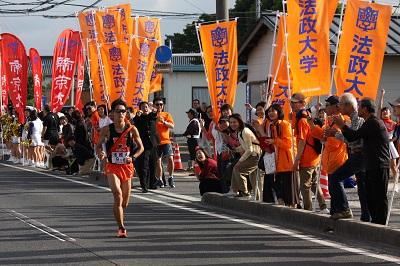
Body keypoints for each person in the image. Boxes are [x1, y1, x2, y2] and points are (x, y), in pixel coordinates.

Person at [333, 98, 390, 225]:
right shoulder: (368, 122)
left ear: (365, 109)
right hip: (370, 164)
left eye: (359, 107)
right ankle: (375, 222)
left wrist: (342, 125)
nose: (357, 109)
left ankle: (381, 224)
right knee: (370, 195)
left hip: (379, 164)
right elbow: (355, 137)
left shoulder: (373, 123)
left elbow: (354, 137)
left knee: (379, 197)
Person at [97, 99, 144, 238]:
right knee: (117, 195)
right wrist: (101, 152)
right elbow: (98, 145)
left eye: (123, 111)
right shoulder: (107, 129)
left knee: (124, 203)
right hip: (112, 166)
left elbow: (141, 147)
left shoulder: (131, 129)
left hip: (127, 166)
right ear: (112, 114)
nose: (121, 114)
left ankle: (120, 215)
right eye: (118, 111)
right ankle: (121, 227)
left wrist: (133, 157)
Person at [325, 93, 370, 221]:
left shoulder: (357, 119)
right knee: (362, 187)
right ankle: (366, 215)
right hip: (356, 155)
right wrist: (336, 134)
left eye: (341, 104)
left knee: (336, 178)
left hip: (359, 155)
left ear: (349, 106)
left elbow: (353, 139)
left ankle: (344, 209)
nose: (339, 107)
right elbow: (349, 137)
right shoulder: (352, 119)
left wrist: (338, 132)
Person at [309, 96, 349, 218]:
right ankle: (336, 211)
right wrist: (311, 125)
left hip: (337, 157)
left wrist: (324, 141)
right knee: (333, 186)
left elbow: (334, 142)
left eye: (327, 105)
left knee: (336, 184)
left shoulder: (341, 119)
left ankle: (344, 209)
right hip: (330, 158)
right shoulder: (329, 120)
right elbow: (322, 134)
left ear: (335, 106)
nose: (325, 108)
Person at [255, 104, 299, 207]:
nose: (270, 113)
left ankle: (292, 207)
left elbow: (288, 143)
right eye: (269, 111)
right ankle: (283, 203)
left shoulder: (284, 124)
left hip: (286, 160)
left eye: (273, 111)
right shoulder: (271, 125)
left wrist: (274, 141)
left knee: (288, 188)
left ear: (279, 112)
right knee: (278, 184)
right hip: (276, 160)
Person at [291, 93, 328, 213]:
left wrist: (297, 159)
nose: (292, 104)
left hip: (307, 157)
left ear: (302, 103)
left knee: (305, 186)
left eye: (294, 102)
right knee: (314, 183)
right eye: (291, 102)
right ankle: (323, 206)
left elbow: (302, 140)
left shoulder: (302, 119)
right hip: (314, 156)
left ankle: (308, 210)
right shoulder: (306, 115)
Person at [230, 113, 261, 197]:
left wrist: (240, 161)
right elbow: (244, 146)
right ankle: (239, 190)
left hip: (255, 155)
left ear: (239, 122)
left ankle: (244, 191)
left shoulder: (245, 131)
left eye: (234, 122)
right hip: (253, 155)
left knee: (237, 169)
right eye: (231, 122)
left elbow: (249, 149)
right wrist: (235, 150)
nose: (232, 124)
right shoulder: (240, 132)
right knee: (254, 181)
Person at [133, 101, 159, 193]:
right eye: (143, 107)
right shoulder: (138, 118)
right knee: (144, 166)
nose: (145, 108)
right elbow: (134, 122)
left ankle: (152, 183)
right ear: (140, 108)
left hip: (153, 144)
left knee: (153, 165)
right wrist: (137, 116)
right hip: (143, 145)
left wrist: (154, 110)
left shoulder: (151, 116)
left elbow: (154, 114)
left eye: (146, 106)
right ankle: (144, 185)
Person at [154, 97, 175, 188]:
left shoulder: (166, 114)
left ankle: (170, 177)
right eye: (157, 104)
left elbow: (172, 126)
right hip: (156, 142)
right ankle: (160, 180)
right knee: (158, 161)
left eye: (161, 104)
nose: (159, 106)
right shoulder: (152, 115)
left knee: (170, 158)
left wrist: (164, 122)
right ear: (154, 105)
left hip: (166, 141)